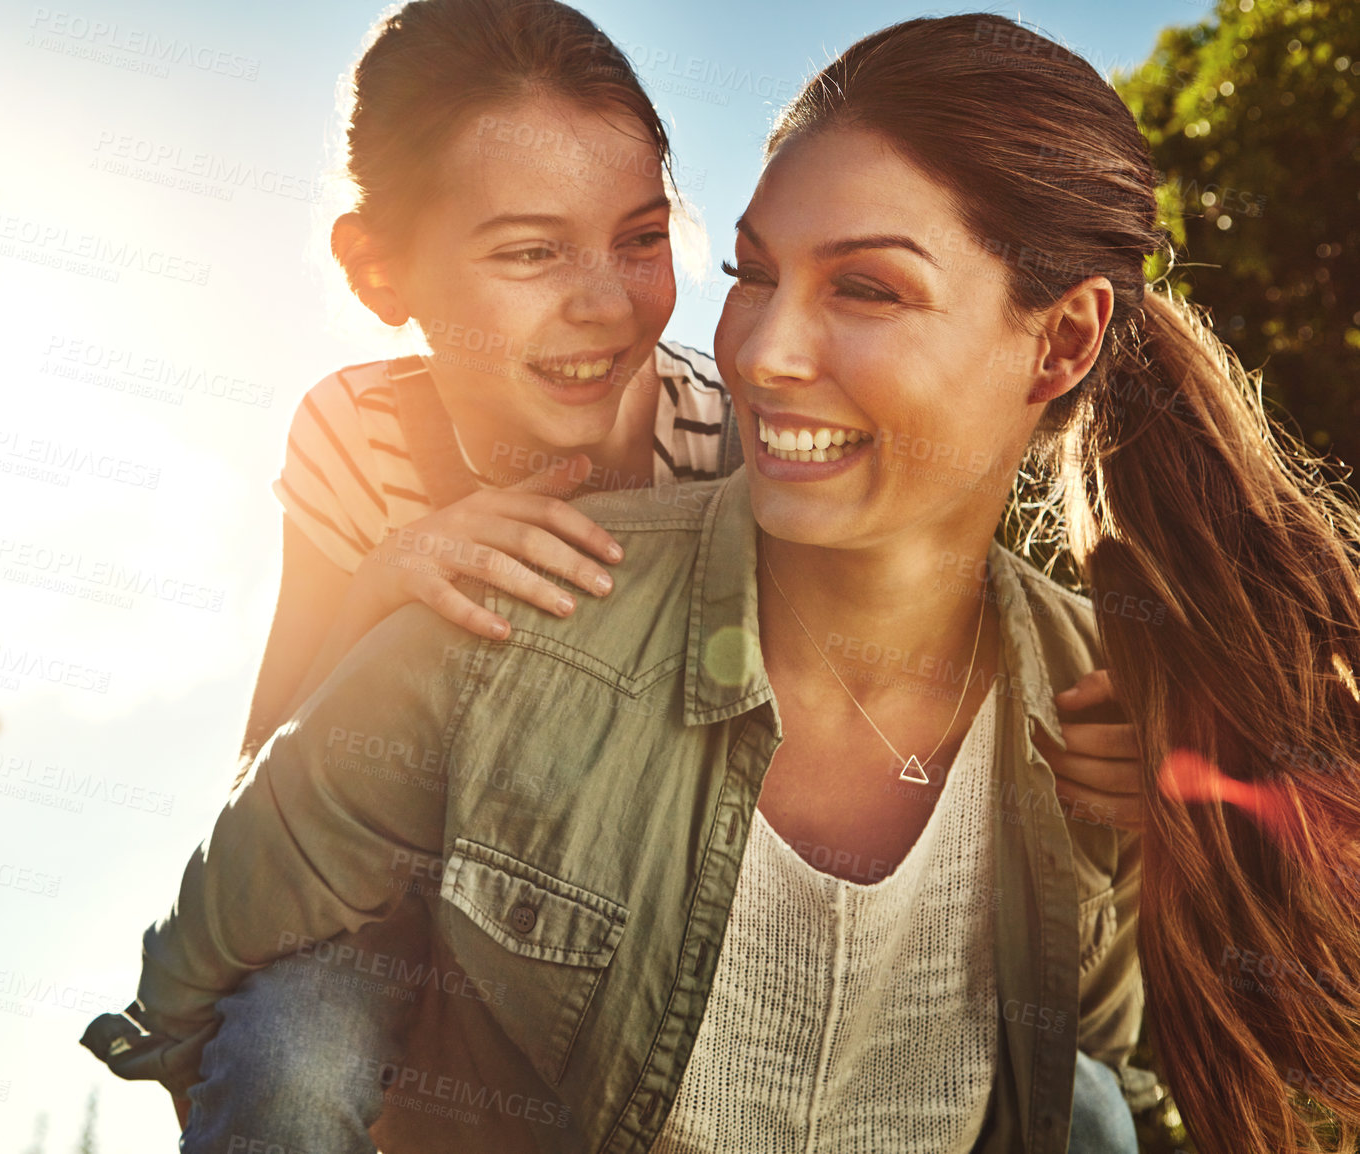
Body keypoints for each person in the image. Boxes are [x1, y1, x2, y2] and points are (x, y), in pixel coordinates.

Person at [79, 6, 1193, 1153]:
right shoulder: (361, 434)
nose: (604, 302)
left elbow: (887, 591)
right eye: (528, 251)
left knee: (1087, 1103)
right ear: (376, 271)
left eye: (643, 238)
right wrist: (385, 588)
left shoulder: (728, 429)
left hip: (610, 892)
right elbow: (279, 771)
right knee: (290, 1057)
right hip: (377, 895)